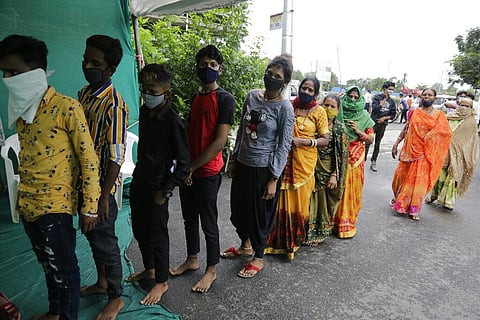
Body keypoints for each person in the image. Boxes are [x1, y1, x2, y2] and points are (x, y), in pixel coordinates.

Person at [0, 34, 100, 320]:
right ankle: (56, 312)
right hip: (28, 203)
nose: (7, 78)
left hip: (55, 207)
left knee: (65, 271)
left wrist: (90, 206)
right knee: (46, 264)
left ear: (35, 73)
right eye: (3, 72)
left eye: (13, 72)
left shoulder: (67, 108)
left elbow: (88, 158)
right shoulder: (21, 111)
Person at [169, 45, 236, 292]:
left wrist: (192, 168)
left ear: (220, 69)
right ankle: (192, 259)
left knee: (209, 222)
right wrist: (185, 166)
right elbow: (189, 132)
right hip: (191, 170)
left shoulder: (225, 99)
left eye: (212, 65)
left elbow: (219, 141)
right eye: (203, 64)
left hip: (207, 172)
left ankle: (211, 270)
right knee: (189, 218)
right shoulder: (196, 98)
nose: (207, 68)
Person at [222, 54, 294, 277]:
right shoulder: (252, 96)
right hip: (243, 163)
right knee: (238, 211)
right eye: (269, 73)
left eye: (277, 76)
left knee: (260, 215)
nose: (270, 78)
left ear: (284, 82)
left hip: (264, 170)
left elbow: (284, 145)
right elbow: (242, 130)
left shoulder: (285, 108)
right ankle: (245, 246)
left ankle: (258, 256)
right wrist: (233, 158)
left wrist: (273, 179)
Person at [126, 64, 190, 305]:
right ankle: (150, 269)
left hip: (157, 187)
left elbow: (183, 162)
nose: (147, 95)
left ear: (167, 94)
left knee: (158, 235)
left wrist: (166, 190)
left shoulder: (174, 121)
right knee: (140, 230)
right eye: (144, 89)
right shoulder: (145, 111)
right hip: (140, 178)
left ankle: (161, 281)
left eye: (152, 90)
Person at [77, 34, 128, 319]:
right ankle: (101, 282)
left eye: (95, 62)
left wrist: (103, 195)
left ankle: (116, 297)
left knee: (106, 241)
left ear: (110, 69)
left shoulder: (114, 105)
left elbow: (115, 155)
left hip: (101, 187)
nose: (87, 65)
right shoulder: (84, 94)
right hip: (83, 182)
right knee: (91, 235)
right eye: (85, 59)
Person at [264, 76, 329, 260]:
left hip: (304, 166)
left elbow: (325, 140)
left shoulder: (319, 112)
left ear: (315, 93)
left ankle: (291, 243)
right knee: (277, 204)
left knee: (298, 205)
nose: (306, 92)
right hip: (283, 162)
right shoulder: (288, 106)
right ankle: (271, 243)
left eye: (310, 90)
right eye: (304, 88)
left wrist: (305, 141)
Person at [391, 88, 452, 221]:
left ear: (434, 98)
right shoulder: (414, 112)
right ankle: (398, 198)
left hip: (426, 153)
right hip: (410, 151)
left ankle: (414, 208)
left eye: (430, 95)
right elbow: (406, 129)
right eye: (424, 95)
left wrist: (432, 136)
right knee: (400, 178)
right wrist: (396, 143)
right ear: (421, 97)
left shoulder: (439, 115)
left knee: (419, 182)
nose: (426, 97)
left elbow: (446, 134)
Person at [305, 94, 348, 246]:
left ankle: (319, 232)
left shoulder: (339, 129)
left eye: (332, 106)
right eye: (326, 105)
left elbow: (341, 156)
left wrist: (335, 175)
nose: (328, 109)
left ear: (338, 110)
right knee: (308, 201)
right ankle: (305, 231)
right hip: (309, 167)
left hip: (327, 171)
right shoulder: (314, 122)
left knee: (322, 204)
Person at [333, 86, 374, 238]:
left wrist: (358, 132)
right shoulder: (338, 111)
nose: (353, 100)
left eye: (356, 97)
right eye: (350, 96)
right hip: (338, 154)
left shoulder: (364, 115)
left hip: (356, 157)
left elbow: (371, 138)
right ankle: (331, 222)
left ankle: (347, 223)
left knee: (352, 189)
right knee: (335, 188)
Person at [426, 97, 478, 210]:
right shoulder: (450, 117)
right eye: (462, 105)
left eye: (467, 106)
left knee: (453, 176)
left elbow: (471, 141)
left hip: (459, 155)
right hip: (443, 151)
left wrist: (463, 152)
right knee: (439, 174)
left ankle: (448, 201)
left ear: (471, 108)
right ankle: (433, 195)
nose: (464, 108)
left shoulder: (471, 122)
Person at [365, 81, 397, 172]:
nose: (390, 91)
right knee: (368, 142)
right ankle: (363, 160)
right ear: (384, 89)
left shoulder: (392, 102)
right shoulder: (377, 97)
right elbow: (374, 109)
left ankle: (373, 161)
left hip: (382, 125)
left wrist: (384, 118)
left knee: (377, 143)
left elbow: (393, 115)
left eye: (392, 90)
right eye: (389, 89)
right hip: (373, 123)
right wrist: (383, 100)